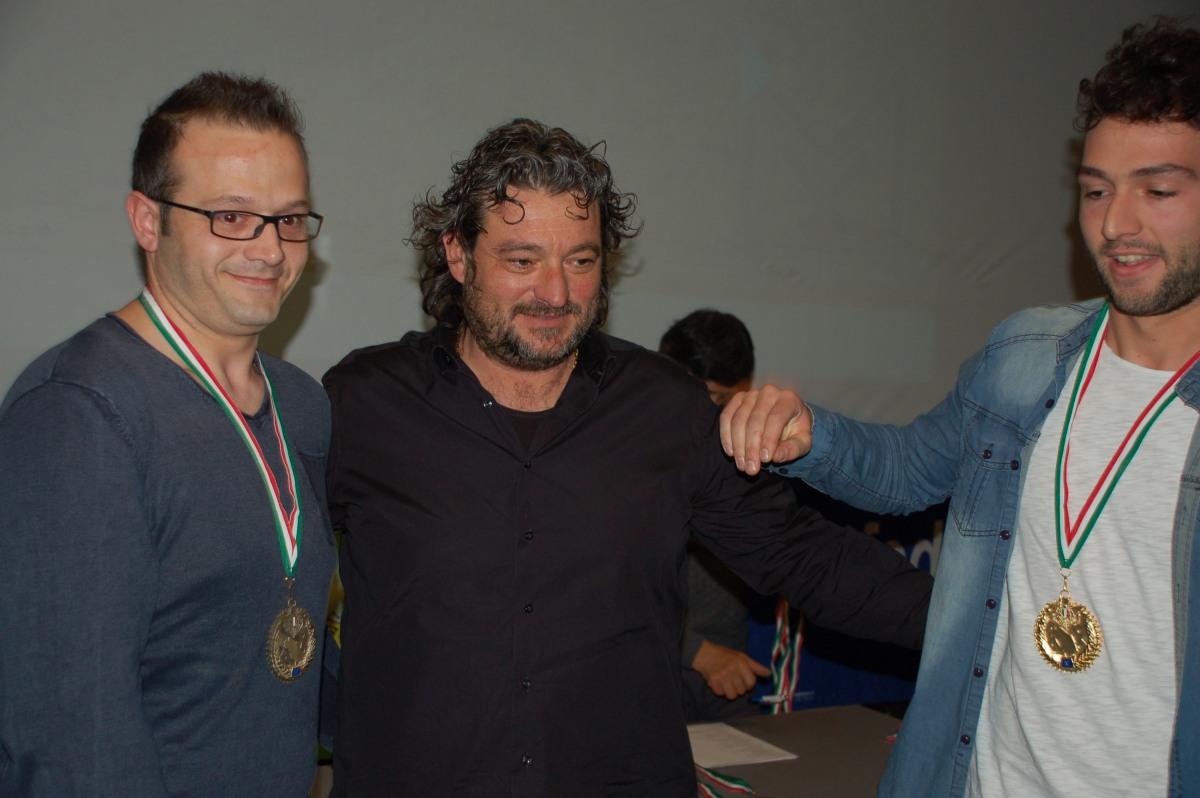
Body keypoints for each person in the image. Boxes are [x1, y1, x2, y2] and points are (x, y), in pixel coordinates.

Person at [323, 118, 933, 796]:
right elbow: (263, 580)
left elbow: (807, 557)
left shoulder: (664, 409)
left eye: (580, 262)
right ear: (459, 255)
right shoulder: (365, 404)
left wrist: (984, 626)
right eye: (523, 261)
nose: (556, 294)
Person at [720, 18, 1200, 797]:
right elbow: (909, 470)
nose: (1117, 223)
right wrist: (813, 434)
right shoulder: (1027, 357)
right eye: (1096, 190)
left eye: (1159, 190)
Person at [0, 73, 336, 796]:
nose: (270, 250)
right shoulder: (80, 414)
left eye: (288, 219)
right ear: (147, 221)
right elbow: (71, 741)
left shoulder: (303, 406)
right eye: (231, 216)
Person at [659, 309, 770, 720]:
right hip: (650, 671)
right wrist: (698, 653)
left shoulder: (749, 451)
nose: (715, 415)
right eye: (708, 398)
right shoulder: (627, 454)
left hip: (730, 675)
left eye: (727, 400)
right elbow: (601, 589)